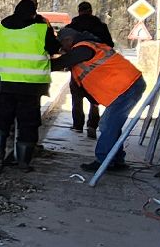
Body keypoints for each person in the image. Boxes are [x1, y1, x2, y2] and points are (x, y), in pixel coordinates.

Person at [54, 27, 146, 172]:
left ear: (69, 40)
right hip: (127, 86)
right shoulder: (86, 47)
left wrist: (40, 65)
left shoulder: (83, 48)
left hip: (127, 86)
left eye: (62, 44)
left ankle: (104, 161)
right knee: (112, 124)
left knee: (107, 124)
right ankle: (116, 160)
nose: (62, 48)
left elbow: (62, 62)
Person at [0, 0, 59, 166]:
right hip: (31, 87)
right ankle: (24, 162)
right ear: (34, 12)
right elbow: (54, 48)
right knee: (28, 123)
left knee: (1, 122)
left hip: (4, 84)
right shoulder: (41, 29)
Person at [66, 2, 114, 135]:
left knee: (76, 95)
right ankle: (92, 125)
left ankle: (77, 124)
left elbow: (65, 43)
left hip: (77, 66)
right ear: (91, 11)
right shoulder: (101, 27)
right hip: (96, 67)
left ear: (79, 11)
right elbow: (110, 44)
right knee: (94, 96)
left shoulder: (72, 27)